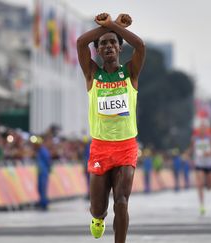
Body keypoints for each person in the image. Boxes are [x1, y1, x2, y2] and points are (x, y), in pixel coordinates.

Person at [77, 12, 145, 243]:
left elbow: (140, 45)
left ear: (120, 48)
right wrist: (107, 26)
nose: (108, 46)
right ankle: (98, 218)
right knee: (98, 208)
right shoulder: (92, 74)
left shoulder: (130, 73)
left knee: (122, 201)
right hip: (100, 148)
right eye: (103, 43)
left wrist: (114, 26)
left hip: (126, 147)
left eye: (113, 42)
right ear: (97, 50)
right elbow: (80, 43)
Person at [187, 123, 211, 215]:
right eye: (200, 129)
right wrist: (187, 154)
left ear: (206, 130)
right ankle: (201, 205)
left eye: (204, 129)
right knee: (200, 184)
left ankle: (207, 183)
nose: (202, 130)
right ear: (198, 130)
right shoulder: (194, 138)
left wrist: (210, 152)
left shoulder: (210, 138)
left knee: (210, 187)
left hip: (209, 164)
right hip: (199, 164)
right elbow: (191, 149)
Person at [35, 134, 53, 210]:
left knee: (43, 188)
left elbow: (48, 160)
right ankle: (42, 201)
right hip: (40, 172)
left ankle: (44, 203)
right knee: (39, 187)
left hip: (43, 172)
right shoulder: (39, 151)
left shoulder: (43, 151)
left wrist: (49, 169)